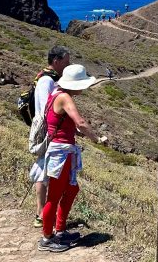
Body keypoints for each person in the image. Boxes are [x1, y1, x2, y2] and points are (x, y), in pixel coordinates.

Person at [37, 64, 102, 253]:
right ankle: (47, 238)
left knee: (72, 188)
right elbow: (80, 122)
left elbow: (60, 122)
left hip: (63, 149)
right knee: (55, 196)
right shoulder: (65, 97)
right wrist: (97, 138)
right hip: (61, 152)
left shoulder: (57, 94)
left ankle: (60, 229)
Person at [29, 45, 69, 227]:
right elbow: (48, 107)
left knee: (45, 169)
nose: (68, 65)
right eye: (66, 62)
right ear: (56, 61)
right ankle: (41, 213)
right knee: (43, 170)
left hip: (48, 128)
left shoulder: (47, 77)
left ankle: (43, 213)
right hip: (47, 129)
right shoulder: (47, 81)